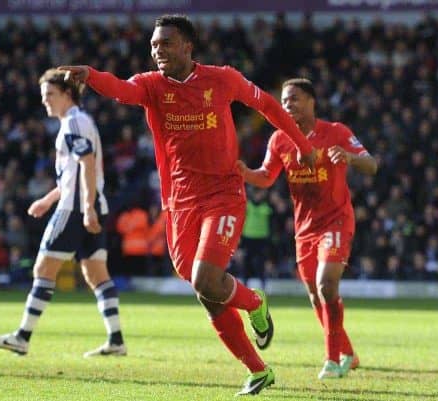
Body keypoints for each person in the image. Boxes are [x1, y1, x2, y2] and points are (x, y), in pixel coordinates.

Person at [60, 14, 316, 395]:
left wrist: (303, 144)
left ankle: (254, 303)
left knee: (205, 279)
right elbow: (122, 90)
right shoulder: (151, 86)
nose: (157, 51)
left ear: (187, 46)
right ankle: (259, 369)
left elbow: (268, 107)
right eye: (153, 45)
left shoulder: (223, 78)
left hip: (224, 194)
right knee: (205, 291)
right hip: (180, 201)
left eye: (165, 43)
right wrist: (92, 76)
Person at [237, 78, 377, 379]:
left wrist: (351, 158)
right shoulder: (279, 139)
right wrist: (246, 173)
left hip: (337, 220)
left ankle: (331, 358)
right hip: (305, 228)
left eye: (295, 99)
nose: (288, 106)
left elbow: (371, 164)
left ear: (312, 102)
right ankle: (348, 354)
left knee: (327, 285)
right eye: (285, 101)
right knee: (316, 295)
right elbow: (266, 177)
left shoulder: (336, 132)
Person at [0, 69, 127, 358]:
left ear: (67, 94)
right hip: (91, 205)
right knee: (96, 274)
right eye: (43, 96)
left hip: (75, 209)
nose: (45, 101)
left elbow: (86, 164)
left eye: (50, 94)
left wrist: (85, 209)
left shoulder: (73, 123)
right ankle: (116, 340)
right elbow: (73, 175)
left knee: (42, 270)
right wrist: (48, 199)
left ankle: (22, 337)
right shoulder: (79, 122)